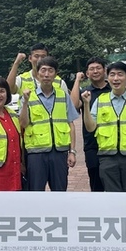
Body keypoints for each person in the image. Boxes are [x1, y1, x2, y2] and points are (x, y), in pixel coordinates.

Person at [82, 61, 126, 192]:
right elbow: (91, 127)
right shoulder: (100, 100)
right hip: (107, 157)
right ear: (107, 78)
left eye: (120, 74)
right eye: (112, 75)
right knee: (112, 198)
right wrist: (86, 105)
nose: (116, 78)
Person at [19, 55, 78, 191]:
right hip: (36, 153)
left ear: (56, 74)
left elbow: (71, 125)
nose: (46, 74)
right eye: (43, 70)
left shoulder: (63, 96)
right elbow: (23, 124)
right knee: (36, 191)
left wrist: (72, 152)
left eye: (50, 70)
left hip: (59, 152)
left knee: (60, 191)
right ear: (37, 73)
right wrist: (26, 102)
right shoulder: (28, 96)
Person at [71, 57, 110, 191]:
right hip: (92, 145)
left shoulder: (113, 90)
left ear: (104, 71)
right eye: (91, 69)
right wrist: (77, 80)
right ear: (87, 73)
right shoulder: (85, 93)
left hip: (111, 144)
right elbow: (74, 105)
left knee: (112, 183)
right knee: (96, 183)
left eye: (98, 68)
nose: (95, 71)